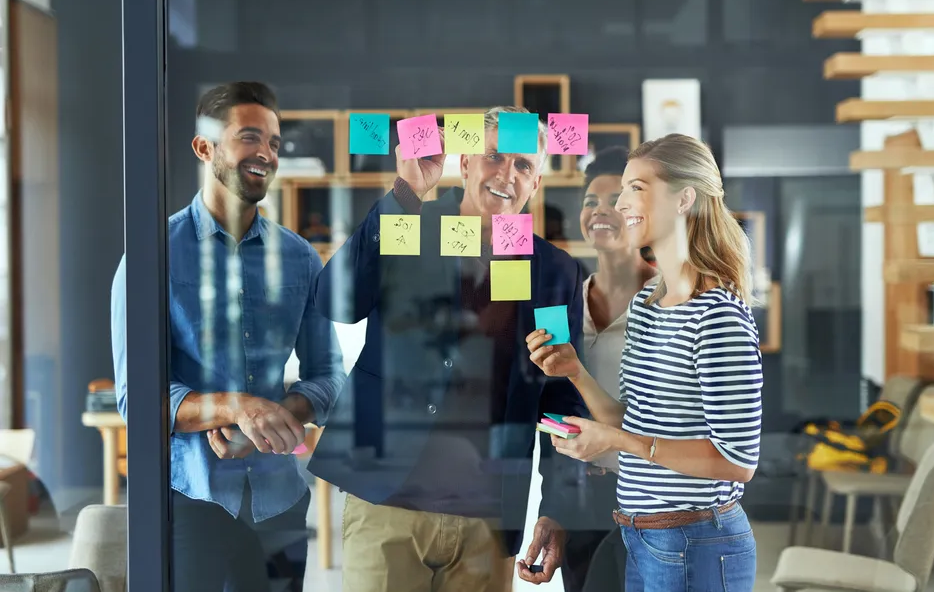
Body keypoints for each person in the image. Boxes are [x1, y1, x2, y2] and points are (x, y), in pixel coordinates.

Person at [308, 106, 588, 592]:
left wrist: (558, 507)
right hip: (388, 497)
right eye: (495, 157)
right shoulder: (409, 226)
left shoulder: (553, 273)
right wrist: (406, 192)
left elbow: (560, 396)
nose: (507, 174)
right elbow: (336, 301)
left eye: (523, 165)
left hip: (487, 517)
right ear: (466, 165)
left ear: (536, 182)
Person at [111, 82, 345, 592]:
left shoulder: (301, 259)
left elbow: (329, 375)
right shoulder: (152, 257)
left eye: (275, 143)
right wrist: (235, 407)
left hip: (280, 501)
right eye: (249, 137)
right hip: (188, 502)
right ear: (205, 147)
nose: (266, 153)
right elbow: (138, 399)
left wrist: (273, 421)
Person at [526, 133, 762, 592]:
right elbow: (630, 418)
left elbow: (738, 461)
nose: (620, 202)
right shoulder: (648, 306)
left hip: (698, 540)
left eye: (636, 187)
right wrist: (576, 372)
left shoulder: (718, 315)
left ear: (684, 199)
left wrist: (615, 440)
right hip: (643, 534)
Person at [559, 146, 658, 592]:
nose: (600, 211)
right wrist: (555, 508)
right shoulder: (565, 303)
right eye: (589, 202)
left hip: (657, 496)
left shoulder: (671, 299)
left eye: (615, 199)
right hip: (584, 495)